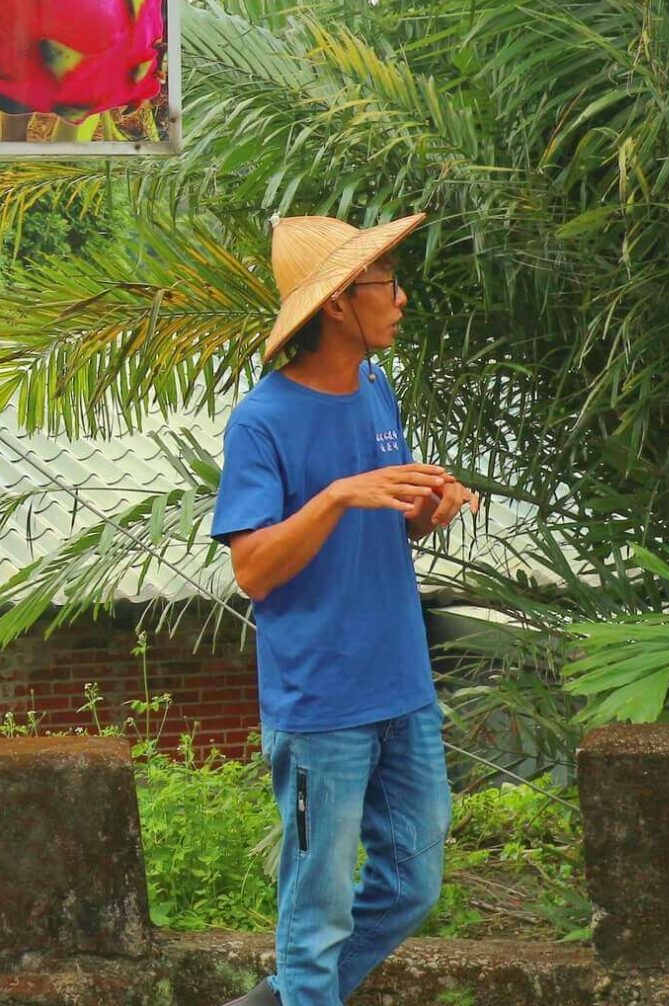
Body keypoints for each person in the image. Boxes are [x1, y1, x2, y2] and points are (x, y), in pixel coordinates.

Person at [213, 213, 476, 1006]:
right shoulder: (262, 421)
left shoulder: (375, 386)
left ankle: (283, 996)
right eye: (385, 283)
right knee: (317, 908)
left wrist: (427, 509)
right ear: (336, 304)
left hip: (401, 682)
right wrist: (333, 496)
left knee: (411, 884)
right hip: (321, 702)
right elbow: (254, 569)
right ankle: (300, 991)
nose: (400, 298)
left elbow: (379, 522)